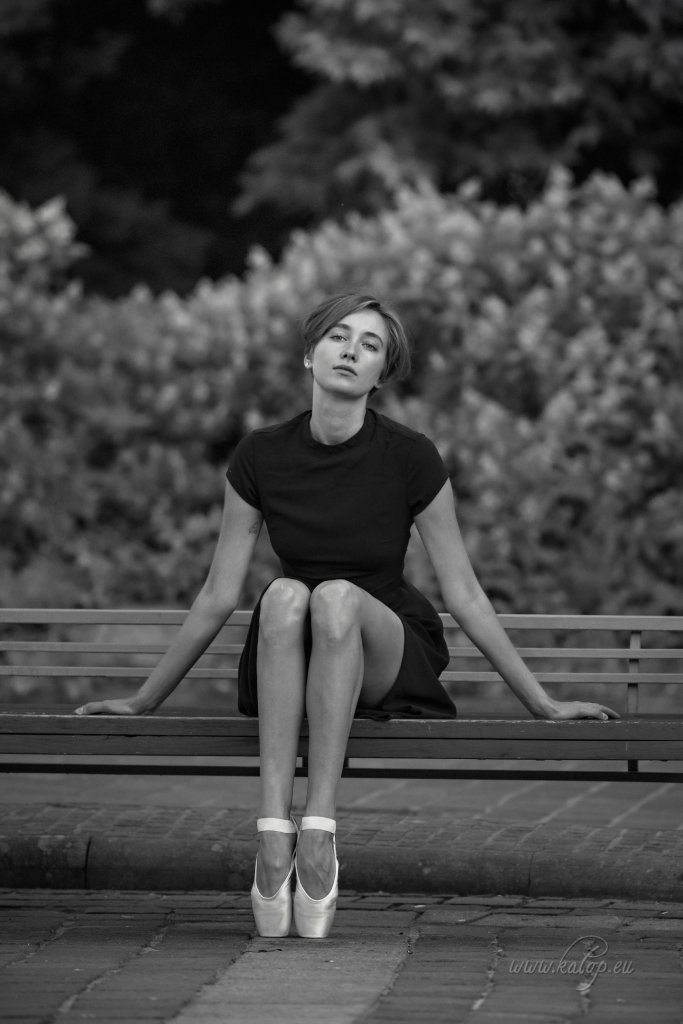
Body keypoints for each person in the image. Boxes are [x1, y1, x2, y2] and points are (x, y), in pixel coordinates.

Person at [75, 291, 619, 939]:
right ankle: (273, 834)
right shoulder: (259, 456)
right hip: (291, 641)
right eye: (339, 337)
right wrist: (142, 701)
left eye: (369, 346)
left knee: (331, 595)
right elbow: (218, 594)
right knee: (281, 594)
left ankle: (320, 834)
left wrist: (541, 703)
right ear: (310, 354)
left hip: (383, 641)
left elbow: (465, 594)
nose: (350, 351)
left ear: (379, 376)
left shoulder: (410, 457)